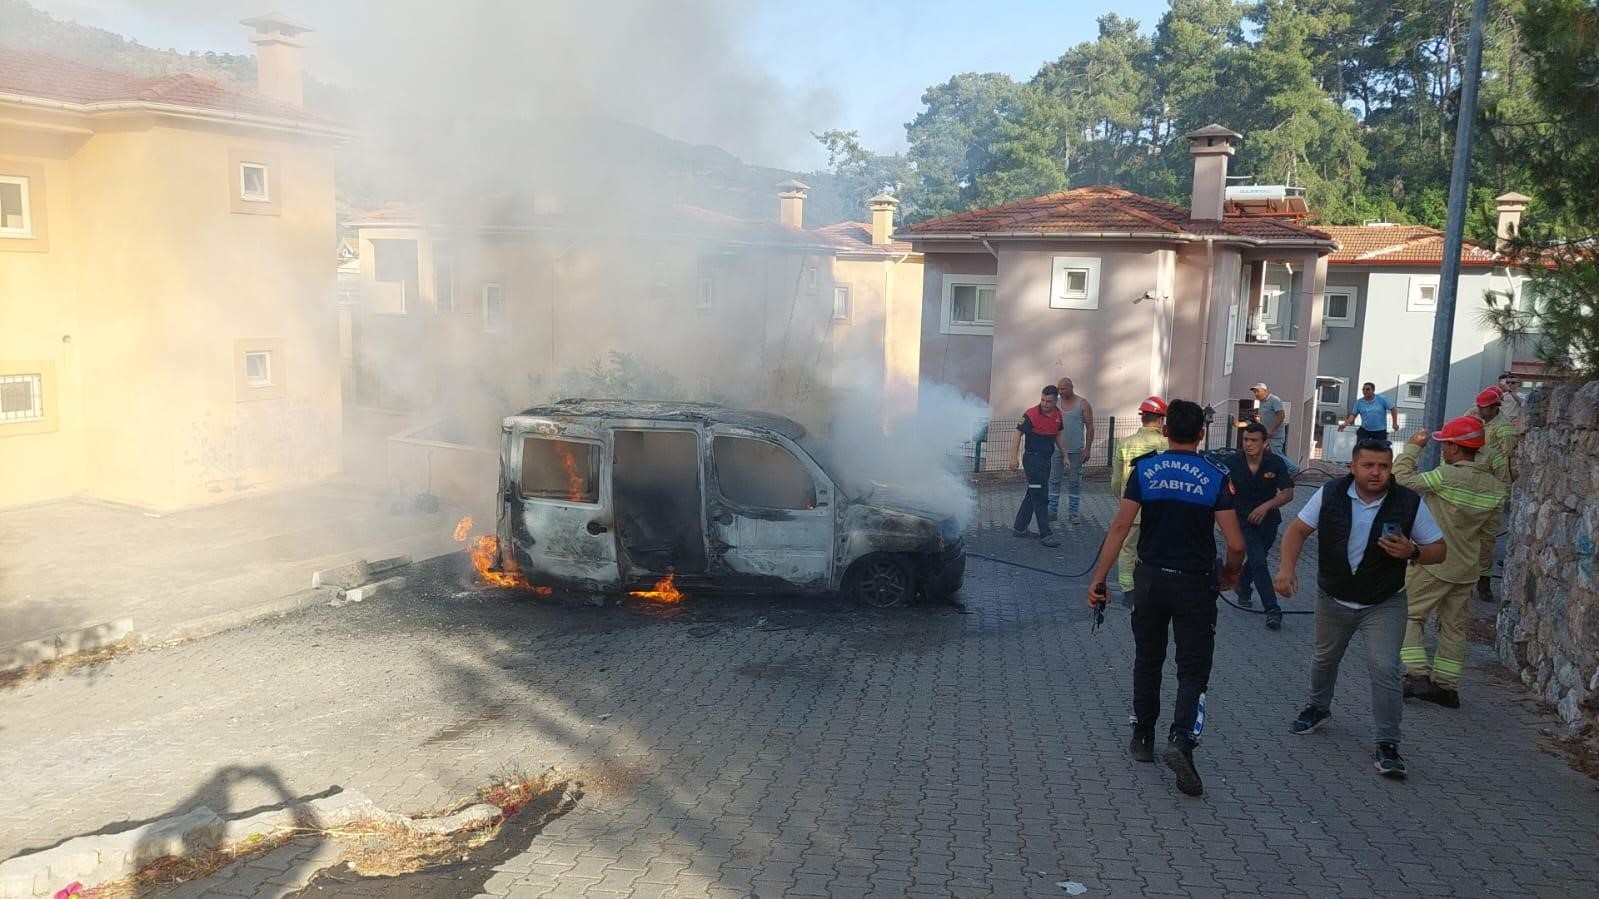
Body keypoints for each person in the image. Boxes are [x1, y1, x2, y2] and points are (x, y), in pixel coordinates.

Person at [1088, 399, 1245, 798]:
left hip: (1150, 580)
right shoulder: (1214, 476)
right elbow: (1237, 543)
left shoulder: (1146, 470)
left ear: (1166, 430)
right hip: (1194, 585)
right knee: (1193, 670)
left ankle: (1142, 737)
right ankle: (1182, 741)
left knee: (1148, 660)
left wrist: (1099, 579)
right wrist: (1230, 573)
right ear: (1202, 434)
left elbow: (1121, 525)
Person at [1272, 439, 1446, 779]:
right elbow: (1297, 530)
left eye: (1383, 466)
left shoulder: (1408, 503)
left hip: (1384, 601)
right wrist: (1286, 568)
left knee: (1384, 668)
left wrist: (1412, 552)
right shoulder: (1331, 493)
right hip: (1333, 596)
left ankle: (1388, 744)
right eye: (1368, 465)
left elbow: (1438, 549)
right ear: (1353, 467)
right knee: (1324, 657)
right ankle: (1318, 708)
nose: (1376, 472)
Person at [1393, 417, 1506, 708]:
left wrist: (1412, 448)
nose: (1442, 449)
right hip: (1466, 569)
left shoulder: (1444, 476)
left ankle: (1417, 676)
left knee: (1409, 616)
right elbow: (1490, 534)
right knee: (1453, 628)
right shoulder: (1495, 488)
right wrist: (1481, 569)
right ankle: (1447, 688)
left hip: (1433, 563)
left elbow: (1401, 479)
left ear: (1456, 447)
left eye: (1445, 444)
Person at [1222, 422, 1296, 629]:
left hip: (1268, 521)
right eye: (1246, 439)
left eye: (1254, 440)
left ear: (1265, 443)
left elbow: (1288, 493)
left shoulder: (1275, 463)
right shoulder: (1231, 462)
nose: (1248, 444)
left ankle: (1243, 587)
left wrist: (1266, 506)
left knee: (1256, 561)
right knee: (1259, 562)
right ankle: (1272, 610)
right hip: (1243, 520)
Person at [1109, 397, 1169, 595]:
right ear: (1161, 420)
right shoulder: (1166, 445)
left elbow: (1116, 481)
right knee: (1156, 549)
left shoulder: (1125, 443)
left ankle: (1128, 589)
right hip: (1160, 511)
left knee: (1127, 550)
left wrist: (1123, 500)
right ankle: (1153, 588)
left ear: (1142, 418)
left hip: (1132, 510)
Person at [1469, 386, 1516, 601]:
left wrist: (1501, 498)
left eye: (1483, 407)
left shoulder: (1504, 429)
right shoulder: (1473, 416)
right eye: (1478, 406)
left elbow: (1506, 462)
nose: (1479, 410)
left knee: (1485, 543)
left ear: (1494, 407)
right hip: (1468, 482)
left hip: (1487, 488)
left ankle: (1484, 582)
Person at [1012, 384, 1068, 548]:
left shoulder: (1058, 415)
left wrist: (1065, 456)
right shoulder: (1030, 415)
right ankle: (1046, 533)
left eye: (1048, 401)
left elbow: (1059, 435)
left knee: (1033, 492)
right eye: (1043, 400)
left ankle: (1019, 527)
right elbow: (1017, 434)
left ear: (1055, 400)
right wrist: (1013, 458)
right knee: (1041, 496)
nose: (1044, 404)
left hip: (1045, 461)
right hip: (1032, 461)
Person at [1048, 377, 1096, 524]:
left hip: (1075, 451)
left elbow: (1090, 428)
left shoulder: (1083, 404)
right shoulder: (1055, 404)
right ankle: (1052, 510)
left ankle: (1073, 513)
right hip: (1056, 450)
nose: (1060, 392)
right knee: (1054, 480)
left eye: (1063, 389)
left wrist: (1087, 449)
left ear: (1071, 387)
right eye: (1059, 389)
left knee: (1075, 482)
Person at [1250, 382, 1300, 478]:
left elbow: (1281, 416)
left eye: (1257, 391)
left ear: (1265, 391)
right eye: (1254, 392)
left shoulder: (1274, 400)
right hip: (1267, 435)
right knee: (1269, 453)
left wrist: (1271, 430)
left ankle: (1293, 469)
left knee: (1276, 454)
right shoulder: (1262, 402)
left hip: (1275, 435)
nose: (1256, 394)